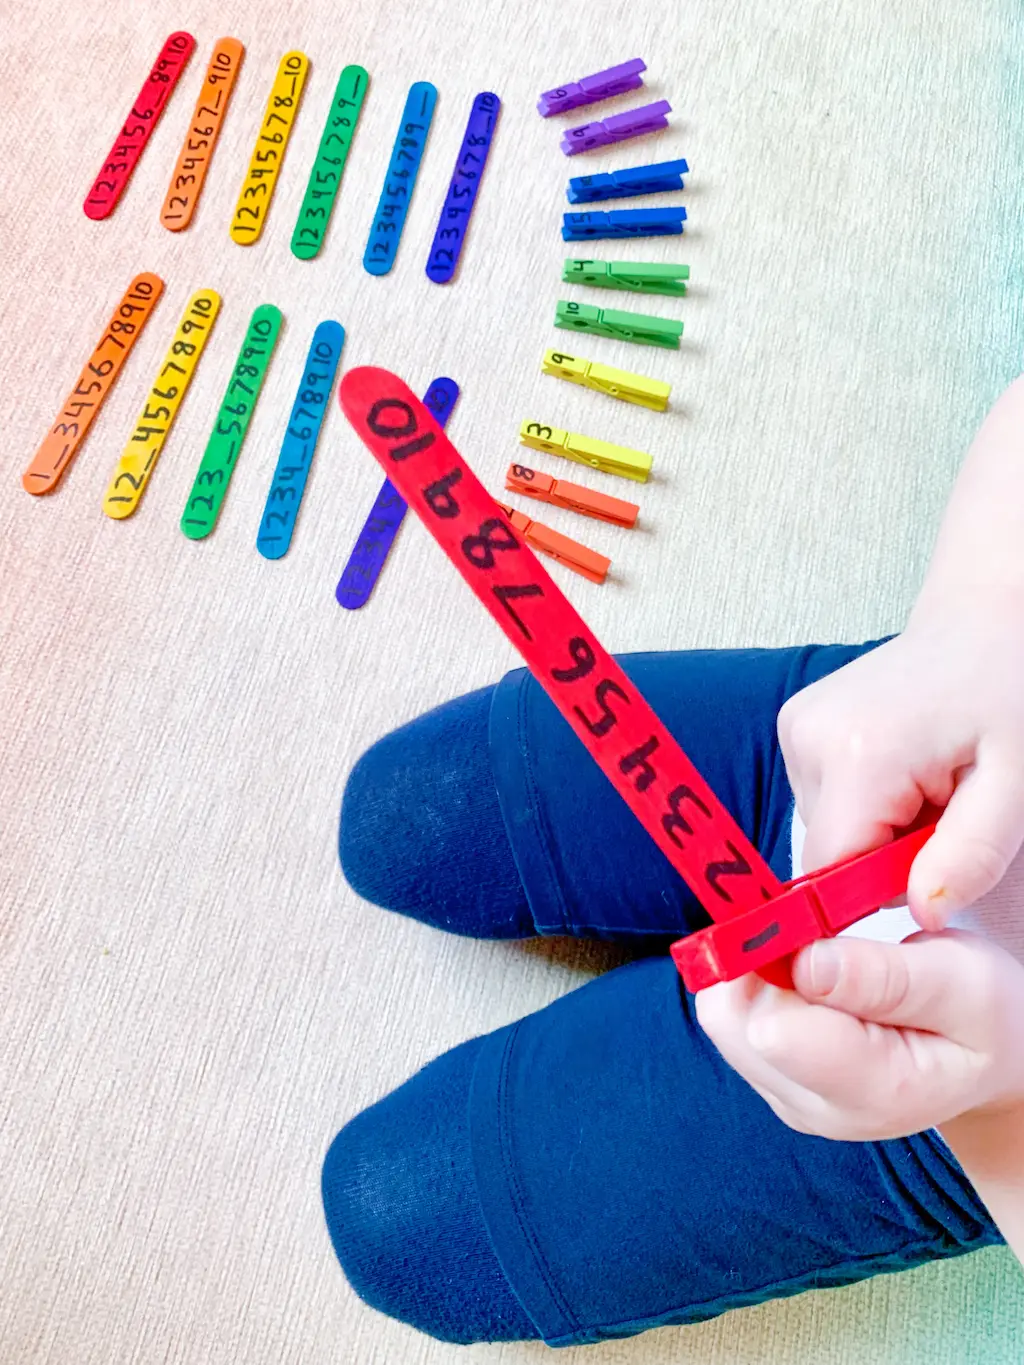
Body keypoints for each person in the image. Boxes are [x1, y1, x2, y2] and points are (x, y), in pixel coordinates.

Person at [320, 378, 1024, 1346]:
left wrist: (1002, 1111)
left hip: (947, 1098)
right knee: (409, 814)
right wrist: (986, 617)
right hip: (906, 749)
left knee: (397, 1212)